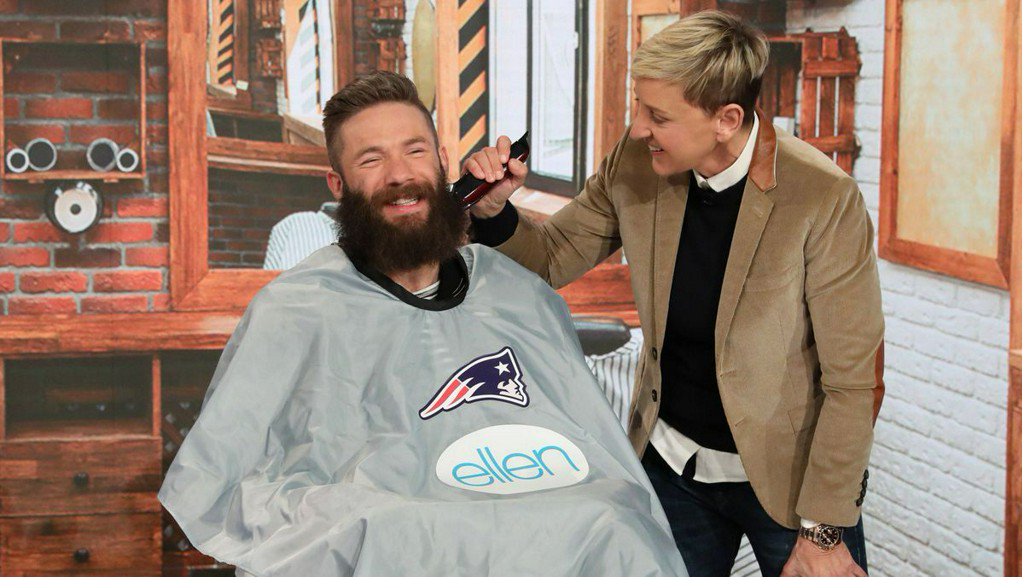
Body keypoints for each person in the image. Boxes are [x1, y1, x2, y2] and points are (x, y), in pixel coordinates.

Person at [158, 71, 688, 577]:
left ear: (442, 163)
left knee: (618, 523)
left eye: (414, 151)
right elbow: (221, 484)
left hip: (553, 532)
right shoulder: (296, 309)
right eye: (371, 159)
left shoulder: (514, 290)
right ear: (338, 184)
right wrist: (373, 521)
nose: (399, 174)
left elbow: (598, 457)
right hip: (398, 546)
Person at [464, 11, 884, 577]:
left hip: (790, 484)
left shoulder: (823, 198)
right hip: (671, 464)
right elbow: (553, 255)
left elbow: (852, 381)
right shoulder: (637, 161)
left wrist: (823, 532)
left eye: (658, 116)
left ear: (726, 119)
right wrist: (495, 214)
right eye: (640, 107)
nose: (638, 128)